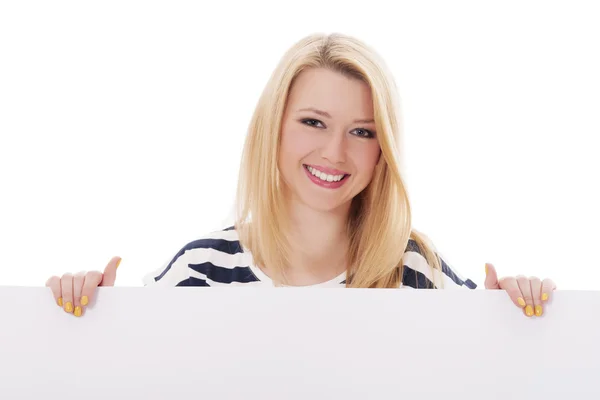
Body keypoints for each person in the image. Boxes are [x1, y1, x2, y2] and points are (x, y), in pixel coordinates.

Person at [45, 33, 556, 318]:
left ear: (383, 153)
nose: (334, 153)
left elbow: (486, 376)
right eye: (313, 122)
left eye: (362, 132)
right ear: (274, 129)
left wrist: (507, 318)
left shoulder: (416, 271)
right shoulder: (201, 268)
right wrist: (92, 316)